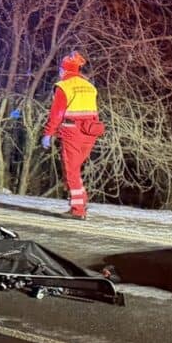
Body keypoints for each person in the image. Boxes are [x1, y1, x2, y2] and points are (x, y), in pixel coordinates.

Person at [42, 51, 104, 219]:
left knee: (71, 171)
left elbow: (57, 113)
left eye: (61, 69)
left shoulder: (64, 86)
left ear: (64, 70)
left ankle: (78, 210)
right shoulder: (89, 86)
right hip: (90, 132)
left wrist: (48, 133)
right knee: (75, 170)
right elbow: (94, 112)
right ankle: (81, 202)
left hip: (72, 132)